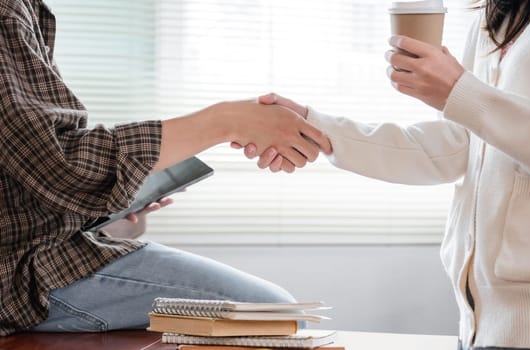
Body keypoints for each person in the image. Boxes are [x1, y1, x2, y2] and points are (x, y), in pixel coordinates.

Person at [234, 0, 530, 349]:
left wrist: (460, 91)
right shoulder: (501, 12)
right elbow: (459, 145)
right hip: (478, 325)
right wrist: (316, 128)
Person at [0, 0, 332, 336]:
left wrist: (104, 224)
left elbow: (29, 172)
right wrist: (226, 121)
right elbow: (61, 166)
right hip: (18, 275)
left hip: (38, 248)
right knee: (271, 313)